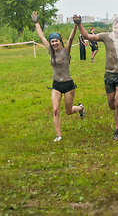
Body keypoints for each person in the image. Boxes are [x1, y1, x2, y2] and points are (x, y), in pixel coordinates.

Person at [32, 11, 85, 142]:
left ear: (60, 41)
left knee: (68, 111)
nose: (54, 43)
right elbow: (42, 37)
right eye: (52, 42)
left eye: (56, 41)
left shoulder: (65, 51)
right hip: (56, 84)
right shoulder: (50, 51)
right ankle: (58, 135)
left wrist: (76, 25)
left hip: (68, 84)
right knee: (55, 109)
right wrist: (36, 23)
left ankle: (80, 108)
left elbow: (72, 38)